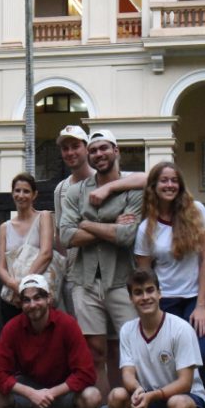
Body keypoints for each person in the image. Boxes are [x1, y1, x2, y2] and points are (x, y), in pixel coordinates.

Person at [58, 129, 143, 408]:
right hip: (84, 280)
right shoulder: (75, 192)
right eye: (93, 150)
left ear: (116, 150)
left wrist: (87, 225)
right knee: (96, 352)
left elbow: (127, 237)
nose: (98, 154)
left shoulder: (132, 186)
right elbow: (66, 235)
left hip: (120, 279)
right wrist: (109, 226)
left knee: (128, 353)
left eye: (103, 148)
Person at [133, 161, 205, 408]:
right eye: (163, 181)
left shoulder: (197, 213)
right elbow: (144, 276)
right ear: (154, 188)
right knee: (168, 365)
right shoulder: (147, 227)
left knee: (202, 354)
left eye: (174, 181)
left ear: (180, 185)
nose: (169, 185)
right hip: (164, 302)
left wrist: (203, 305)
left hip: (197, 298)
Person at [109, 269, 205, 408]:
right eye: (138, 293)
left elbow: (185, 383)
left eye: (150, 290)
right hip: (152, 401)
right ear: (131, 298)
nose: (145, 297)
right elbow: (127, 373)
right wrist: (137, 389)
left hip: (189, 401)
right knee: (116, 397)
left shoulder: (180, 329)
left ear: (159, 293)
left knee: (178, 404)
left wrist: (152, 396)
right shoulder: (128, 330)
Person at [0, 274, 101, 408]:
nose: (32, 305)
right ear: (20, 303)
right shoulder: (12, 328)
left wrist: (51, 393)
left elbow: (87, 372)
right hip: (29, 389)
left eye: (38, 298)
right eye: (26, 300)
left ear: (49, 298)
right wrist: (31, 393)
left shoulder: (67, 324)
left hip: (61, 390)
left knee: (93, 397)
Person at [52, 125, 147, 313]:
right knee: (87, 338)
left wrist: (109, 189)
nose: (70, 152)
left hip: (119, 274)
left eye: (75, 146)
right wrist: (112, 227)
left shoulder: (127, 181)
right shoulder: (63, 189)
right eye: (65, 148)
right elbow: (64, 234)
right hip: (78, 274)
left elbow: (154, 177)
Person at [0, 172, 54, 322]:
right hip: (13, 299)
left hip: (38, 295)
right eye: (17, 190)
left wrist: (24, 287)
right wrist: (13, 285)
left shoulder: (44, 217)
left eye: (26, 191)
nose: (21, 195)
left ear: (34, 195)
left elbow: (46, 253)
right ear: (12, 193)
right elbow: (1, 267)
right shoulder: (5, 227)